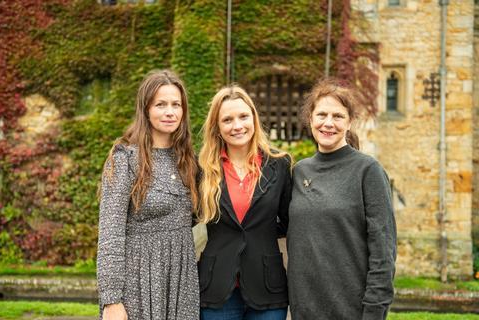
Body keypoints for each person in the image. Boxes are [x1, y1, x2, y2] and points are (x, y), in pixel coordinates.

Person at [287, 79, 397, 320]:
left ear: (349, 122)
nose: (328, 123)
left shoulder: (368, 171)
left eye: (337, 116)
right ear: (311, 119)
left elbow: (383, 251)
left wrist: (375, 311)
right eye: (322, 115)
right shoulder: (299, 172)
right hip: (304, 310)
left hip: (352, 311)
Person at [97, 70, 199, 320]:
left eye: (176, 104)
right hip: (138, 280)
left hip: (181, 282)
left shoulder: (189, 161)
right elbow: (110, 233)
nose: (170, 112)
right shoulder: (125, 159)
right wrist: (111, 300)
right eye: (160, 104)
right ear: (146, 109)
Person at [197, 85, 292, 320]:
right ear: (217, 127)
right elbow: (187, 217)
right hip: (217, 287)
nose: (237, 125)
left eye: (243, 116)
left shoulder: (279, 164)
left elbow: (291, 221)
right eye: (227, 119)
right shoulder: (203, 169)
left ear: (254, 118)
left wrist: (264, 230)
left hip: (268, 288)